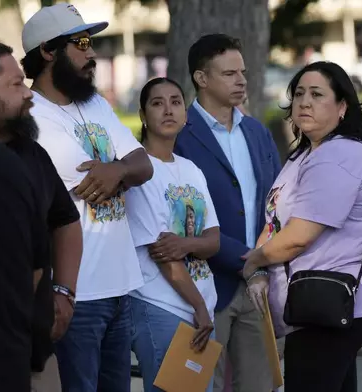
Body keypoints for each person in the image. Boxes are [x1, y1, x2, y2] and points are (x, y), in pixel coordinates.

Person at [21, 3, 154, 390]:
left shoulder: (95, 103)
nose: (91, 54)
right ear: (48, 51)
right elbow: (89, 180)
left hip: (121, 286)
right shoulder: (32, 117)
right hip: (77, 295)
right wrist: (118, 168)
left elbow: (143, 166)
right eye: (81, 43)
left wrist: (118, 170)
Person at [241, 61, 362, 392]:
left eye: (317, 94)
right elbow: (275, 223)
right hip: (310, 309)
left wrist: (254, 261)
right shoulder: (303, 155)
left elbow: (298, 237)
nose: (304, 102)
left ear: (342, 107)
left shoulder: (341, 154)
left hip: (333, 304)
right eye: (299, 94)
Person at [173, 33, 280, 392]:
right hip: (202, 286)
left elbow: (276, 204)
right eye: (230, 73)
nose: (242, 81)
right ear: (201, 79)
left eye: (243, 72)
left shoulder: (258, 132)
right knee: (195, 387)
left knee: (260, 387)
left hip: (258, 287)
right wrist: (248, 261)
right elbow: (182, 219)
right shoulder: (178, 136)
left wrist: (262, 262)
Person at [0, 42, 83, 392]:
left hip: (34, 355)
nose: (29, 94)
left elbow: (65, 220)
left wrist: (64, 292)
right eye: (15, 85)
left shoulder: (31, 156)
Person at [126, 77, 220, 392]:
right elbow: (164, 257)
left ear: (185, 113)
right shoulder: (139, 171)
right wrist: (201, 308)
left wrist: (186, 244)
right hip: (162, 306)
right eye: (157, 103)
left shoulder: (192, 170)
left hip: (199, 308)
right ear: (142, 114)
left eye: (176, 102)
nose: (168, 110)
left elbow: (213, 241)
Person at [0, 42, 48, 392]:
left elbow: (37, 264)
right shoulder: (11, 166)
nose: (28, 94)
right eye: (16, 84)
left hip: (6, 354)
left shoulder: (20, 162)